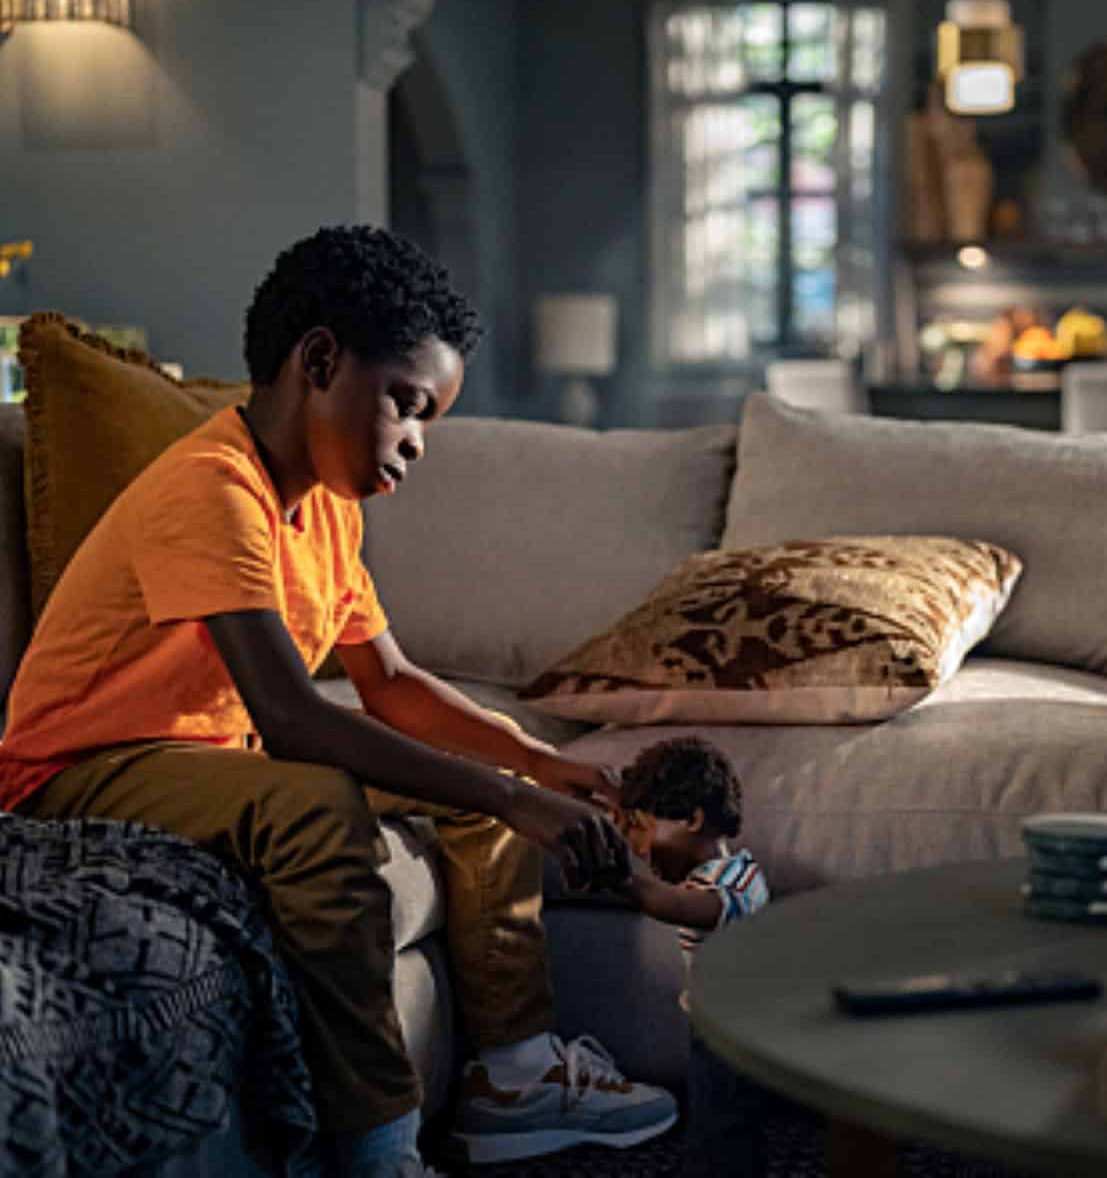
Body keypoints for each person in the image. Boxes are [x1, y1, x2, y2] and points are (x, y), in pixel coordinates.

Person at [0, 226, 678, 1177]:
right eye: (407, 404)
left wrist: (531, 763)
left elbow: (390, 684)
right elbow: (292, 718)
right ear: (319, 361)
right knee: (318, 805)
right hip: (77, 769)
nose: (417, 440)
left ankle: (517, 1077)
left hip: (202, 760)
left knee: (473, 780)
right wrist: (515, 799)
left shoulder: (325, 507)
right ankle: (379, 1150)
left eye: (431, 419)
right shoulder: (213, 489)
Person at [611, 736, 770, 1178]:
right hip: (718, 1025)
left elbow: (680, 907)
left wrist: (616, 876)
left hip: (733, 1036)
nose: (640, 849)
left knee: (720, 1132)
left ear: (693, 819)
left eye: (643, 828)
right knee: (718, 1127)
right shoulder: (735, 871)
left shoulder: (729, 885)